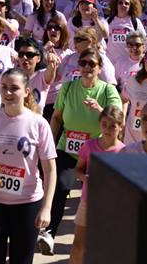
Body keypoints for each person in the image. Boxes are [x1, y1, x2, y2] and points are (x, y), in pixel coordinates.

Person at [0, 68, 57, 264]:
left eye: (14, 88)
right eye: (4, 87)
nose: (8, 93)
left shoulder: (38, 123)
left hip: (27, 203)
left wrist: (47, 208)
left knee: (21, 260)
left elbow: (50, 169)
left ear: (26, 91)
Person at [46, 49, 121, 253]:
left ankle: (101, 239)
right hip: (67, 148)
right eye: (83, 63)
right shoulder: (68, 87)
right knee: (60, 188)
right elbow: (57, 117)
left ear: (100, 67)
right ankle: (49, 233)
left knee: (98, 197)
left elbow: (117, 119)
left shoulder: (108, 91)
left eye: (92, 64)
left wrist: (99, 109)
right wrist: (50, 146)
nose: (87, 67)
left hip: (97, 151)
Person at [70, 106, 125, 264]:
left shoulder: (124, 151)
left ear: (120, 127)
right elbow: (77, 170)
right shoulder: (89, 146)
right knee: (78, 247)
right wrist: (85, 178)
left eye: (113, 125)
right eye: (104, 124)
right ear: (99, 124)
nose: (107, 129)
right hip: (88, 202)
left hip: (112, 205)